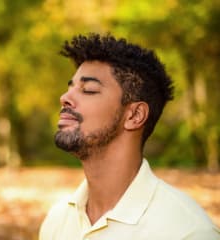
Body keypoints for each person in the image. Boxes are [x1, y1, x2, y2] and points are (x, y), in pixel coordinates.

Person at [39, 33, 220, 240]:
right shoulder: (57, 221)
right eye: (70, 87)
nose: (64, 98)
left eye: (88, 90)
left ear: (134, 115)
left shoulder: (187, 232)